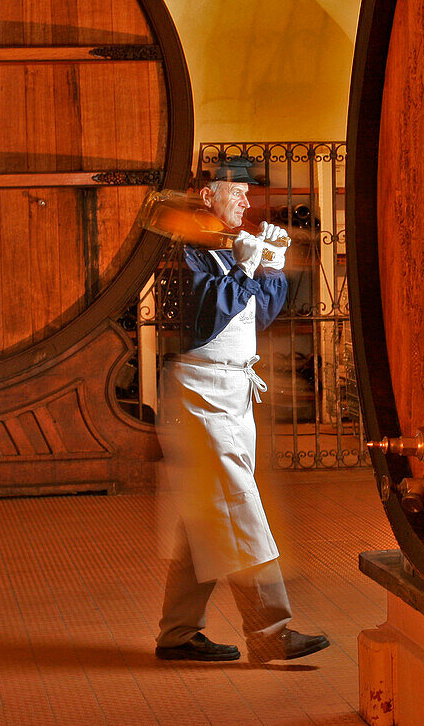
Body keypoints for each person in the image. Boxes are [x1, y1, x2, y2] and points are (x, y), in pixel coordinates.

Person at [153, 157, 330, 663]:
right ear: (207, 195)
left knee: (203, 515)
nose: (248, 200)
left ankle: (178, 635)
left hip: (234, 391)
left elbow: (258, 315)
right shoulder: (182, 250)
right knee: (238, 508)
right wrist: (248, 266)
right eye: (238, 191)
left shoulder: (225, 246)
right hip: (201, 393)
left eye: (250, 192)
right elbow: (205, 317)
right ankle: (270, 630)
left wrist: (269, 264)